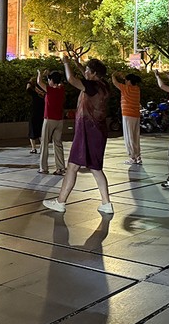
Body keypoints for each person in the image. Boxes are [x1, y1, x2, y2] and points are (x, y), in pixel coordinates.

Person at [42, 56, 113, 214]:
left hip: (86, 131)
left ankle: (60, 202)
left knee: (72, 167)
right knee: (95, 168)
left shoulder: (91, 86)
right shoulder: (104, 85)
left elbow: (72, 79)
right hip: (99, 132)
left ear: (93, 73)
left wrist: (67, 64)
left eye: (88, 70)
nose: (85, 72)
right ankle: (106, 203)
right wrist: (78, 64)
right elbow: (86, 76)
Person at [38, 69, 66, 175]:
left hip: (49, 119)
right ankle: (60, 168)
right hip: (59, 120)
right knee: (58, 144)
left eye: (49, 80)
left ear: (51, 80)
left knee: (44, 143)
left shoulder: (50, 90)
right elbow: (60, 82)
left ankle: (43, 167)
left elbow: (38, 82)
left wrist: (40, 74)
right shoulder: (61, 89)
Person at [112, 72, 142, 165]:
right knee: (135, 136)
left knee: (129, 137)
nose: (124, 82)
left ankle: (132, 157)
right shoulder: (137, 89)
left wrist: (113, 76)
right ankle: (137, 156)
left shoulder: (126, 88)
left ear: (129, 81)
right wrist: (124, 77)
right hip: (136, 115)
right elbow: (125, 82)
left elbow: (115, 83)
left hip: (127, 115)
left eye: (126, 80)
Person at [26, 76, 46, 154]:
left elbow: (28, 89)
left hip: (34, 115)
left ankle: (33, 148)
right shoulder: (45, 96)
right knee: (41, 132)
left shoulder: (35, 95)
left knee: (32, 132)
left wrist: (30, 81)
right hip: (42, 115)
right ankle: (42, 147)